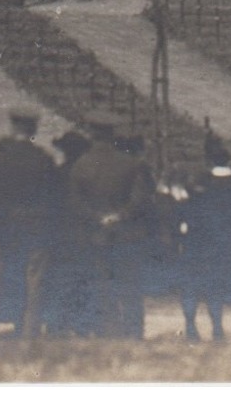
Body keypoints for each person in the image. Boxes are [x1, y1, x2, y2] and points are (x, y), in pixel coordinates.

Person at [68, 113, 155, 338]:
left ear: (91, 134)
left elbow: (75, 203)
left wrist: (98, 218)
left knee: (100, 283)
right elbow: (139, 200)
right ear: (113, 135)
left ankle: (107, 329)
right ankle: (134, 331)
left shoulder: (80, 165)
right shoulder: (131, 164)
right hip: (127, 233)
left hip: (95, 233)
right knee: (130, 284)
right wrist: (119, 216)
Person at [0, 107, 58, 337]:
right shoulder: (43, 159)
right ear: (34, 130)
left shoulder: (0, 160)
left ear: (13, 128)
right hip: (36, 223)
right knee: (34, 277)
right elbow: (52, 194)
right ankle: (30, 329)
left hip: (5, 223)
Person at [177, 138, 231, 340]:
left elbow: (188, 211)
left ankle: (191, 326)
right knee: (215, 286)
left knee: (191, 284)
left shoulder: (200, 183)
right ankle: (217, 327)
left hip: (197, 241)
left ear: (209, 161)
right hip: (222, 243)